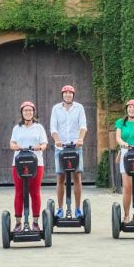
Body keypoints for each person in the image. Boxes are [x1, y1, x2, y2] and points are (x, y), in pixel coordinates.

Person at [9, 100, 48, 232]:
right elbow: (12, 144)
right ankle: (18, 223)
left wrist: (40, 147)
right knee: (19, 192)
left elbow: (44, 144)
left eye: (30, 110)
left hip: (36, 164)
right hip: (18, 164)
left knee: (35, 192)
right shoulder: (17, 128)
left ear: (33, 112)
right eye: (25, 110)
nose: (28, 112)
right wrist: (15, 146)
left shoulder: (39, 127)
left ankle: (36, 222)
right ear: (22, 113)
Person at [49, 84, 87, 218]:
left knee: (77, 177)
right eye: (65, 93)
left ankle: (77, 209)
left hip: (76, 148)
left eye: (70, 93)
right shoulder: (56, 109)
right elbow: (53, 127)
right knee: (60, 177)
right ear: (62, 95)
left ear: (73, 95)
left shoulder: (79, 108)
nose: (68, 95)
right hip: (61, 148)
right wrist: (57, 139)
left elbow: (83, 125)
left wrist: (81, 139)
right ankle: (60, 209)